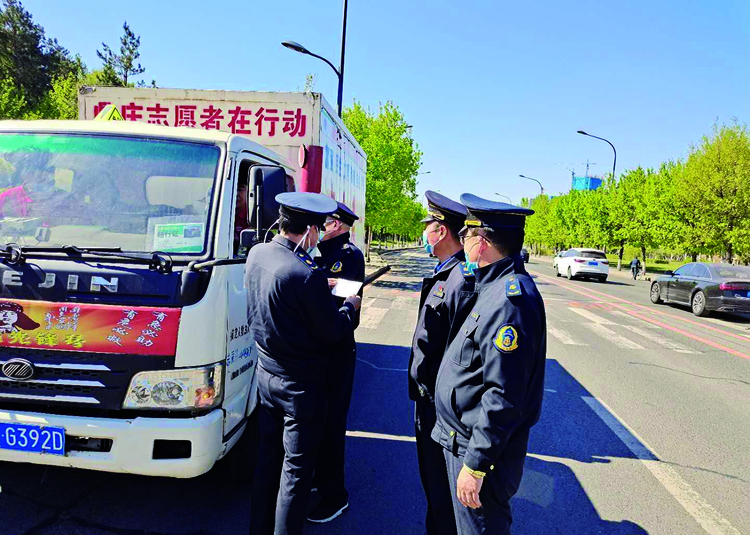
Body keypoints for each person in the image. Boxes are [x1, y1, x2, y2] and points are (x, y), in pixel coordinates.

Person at [245, 192, 362, 535]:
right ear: (311, 230)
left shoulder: (258, 253)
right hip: (300, 386)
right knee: (295, 476)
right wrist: (349, 308)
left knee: (267, 462)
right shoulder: (302, 272)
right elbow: (331, 332)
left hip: (266, 375)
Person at [432, 194, 547, 535]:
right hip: (462, 439)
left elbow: (504, 395)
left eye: (467, 234)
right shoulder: (492, 286)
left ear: (481, 242)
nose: (463, 241)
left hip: (478, 451)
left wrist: (476, 465)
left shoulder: (510, 301)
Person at [408, 190, 469, 535]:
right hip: (427, 398)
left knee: (441, 490)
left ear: (442, 230)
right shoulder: (446, 272)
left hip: (439, 405)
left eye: (428, 225)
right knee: (432, 485)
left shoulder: (461, 280)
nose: (425, 232)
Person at [308, 201, 365, 523]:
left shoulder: (348, 254)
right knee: (314, 419)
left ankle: (335, 495)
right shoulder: (313, 251)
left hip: (338, 348)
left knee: (331, 424)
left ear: (340, 224)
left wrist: (321, 283)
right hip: (314, 348)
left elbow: (348, 293)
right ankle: (318, 477)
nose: (321, 225)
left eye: (327, 221)